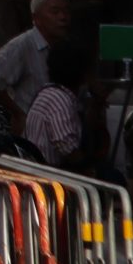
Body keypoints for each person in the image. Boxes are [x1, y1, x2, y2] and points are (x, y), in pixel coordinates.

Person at [0, 0, 70, 120]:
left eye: (66, 11)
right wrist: (18, 115)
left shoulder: (66, 46)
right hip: (33, 133)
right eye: (55, 11)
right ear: (36, 18)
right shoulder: (22, 45)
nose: (63, 17)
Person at [22, 39, 93, 168]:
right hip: (50, 173)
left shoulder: (52, 94)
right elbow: (66, 145)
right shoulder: (58, 99)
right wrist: (89, 170)